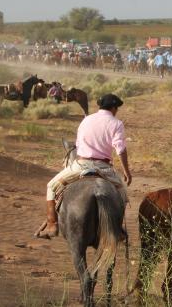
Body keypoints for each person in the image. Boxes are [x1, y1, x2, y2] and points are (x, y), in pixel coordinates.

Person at [36, 94, 131, 239]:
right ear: (113, 108)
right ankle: (117, 228)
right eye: (116, 109)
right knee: (122, 194)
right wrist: (126, 171)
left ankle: (52, 224)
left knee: (51, 186)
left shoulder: (86, 119)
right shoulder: (117, 123)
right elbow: (120, 149)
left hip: (81, 165)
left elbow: (78, 144)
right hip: (104, 168)